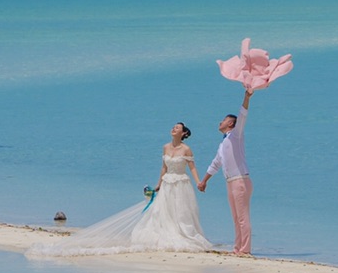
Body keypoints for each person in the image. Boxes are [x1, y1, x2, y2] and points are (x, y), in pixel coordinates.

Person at [29, 122, 217, 258]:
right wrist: (158, 183)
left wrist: (200, 182)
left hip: (181, 184)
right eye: (173, 127)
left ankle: (184, 235)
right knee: (162, 213)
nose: (173, 129)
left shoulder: (187, 149)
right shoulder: (165, 147)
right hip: (167, 183)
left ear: (183, 133)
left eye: (177, 128)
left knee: (181, 213)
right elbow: (163, 167)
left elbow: (192, 167)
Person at [197, 86, 254, 254]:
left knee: (243, 217)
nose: (219, 122)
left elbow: (243, 115)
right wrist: (204, 181)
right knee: (236, 218)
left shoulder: (236, 135)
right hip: (230, 182)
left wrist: (247, 97)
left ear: (230, 123)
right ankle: (238, 248)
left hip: (240, 180)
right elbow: (215, 164)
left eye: (223, 120)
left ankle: (245, 249)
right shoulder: (223, 144)